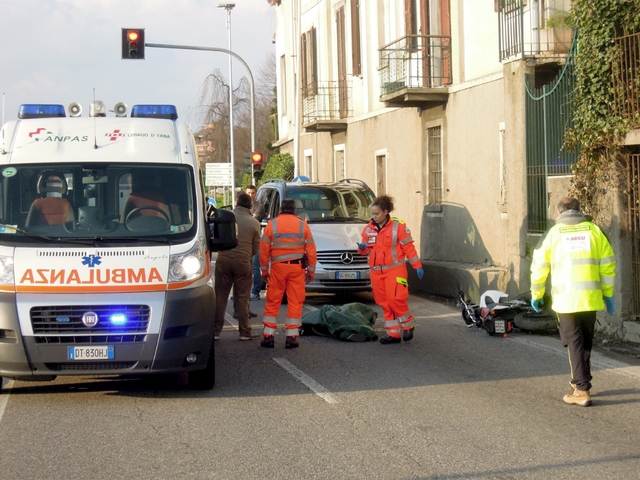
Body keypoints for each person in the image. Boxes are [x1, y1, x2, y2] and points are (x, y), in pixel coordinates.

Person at [530, 196, 616, 407]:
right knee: (585, 342)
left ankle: (582, 390)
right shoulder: (594, 231)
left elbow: (539, 268)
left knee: (574, 343)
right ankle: (581, 383)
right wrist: (609, 293)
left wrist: (537, 294)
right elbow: (607, 265)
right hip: (590, 298)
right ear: (579, 210)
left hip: (566, 300)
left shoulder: (553, 234)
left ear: (559, 213)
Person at [357, 195, 424, 344]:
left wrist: (417, 265)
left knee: (395, 299)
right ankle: (393, 334)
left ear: (386, 212)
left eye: (376, 214)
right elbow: (365, 250)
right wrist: (361, 249)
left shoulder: (398, 226)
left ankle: (408, 324)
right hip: (376, 271)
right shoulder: (368, 230)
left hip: (394, 270)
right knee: (384, 302)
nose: (373, 217)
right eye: (372, 214)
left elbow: (408, 247)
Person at [260, 198, 317, 349]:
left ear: (280, 209)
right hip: (297, 268)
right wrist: (311, 271)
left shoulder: (272, 224)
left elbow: (264, 251)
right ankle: (291, 337)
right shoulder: (302, 224)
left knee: (273, 300)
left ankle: (268, 336)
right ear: (294, 209)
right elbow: (311, 250)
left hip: (278, 268)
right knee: (295, 301)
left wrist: (264, 271)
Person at [213, 192, 261, 341]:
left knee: (220, 297)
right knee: (242, 297)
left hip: (223, 260)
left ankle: (215, 332)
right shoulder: (254, 223)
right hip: (243, 263)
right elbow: (255, 248)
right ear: (250, 206)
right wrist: (245, 256)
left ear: (236, 203)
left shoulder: (225, 218)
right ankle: (245, 332)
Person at [246, 185, 266, 301]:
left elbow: (254, 219)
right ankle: (243, 293)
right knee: (244, 268)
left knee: (255, 267)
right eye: (248, 193)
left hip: (256, 241)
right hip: (244, 242)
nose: (250, 195)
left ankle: (255, 292)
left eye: (252, 193)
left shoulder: (259, 206)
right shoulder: (242, 206)